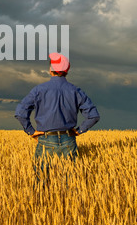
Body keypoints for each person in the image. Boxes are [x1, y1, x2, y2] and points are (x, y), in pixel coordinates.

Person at [14, 53, 100, 181]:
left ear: (50, 70)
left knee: (41, 184)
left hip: (45, 139)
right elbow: (93, 116)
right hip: (68, 139)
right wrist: (78, 130)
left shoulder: (39, 90)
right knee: (70, 185)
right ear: (67, 71)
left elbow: (20, 112)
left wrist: (31, 131)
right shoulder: (75, 91)